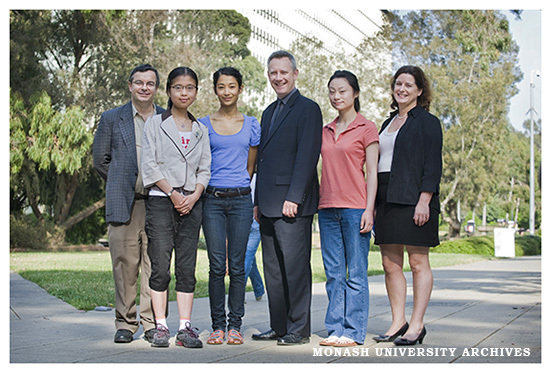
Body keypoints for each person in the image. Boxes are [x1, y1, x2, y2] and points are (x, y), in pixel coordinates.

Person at [252, 50, 323, 346]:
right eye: (273, 73)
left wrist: (294, 197)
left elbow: (307, 156)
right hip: (267, 204)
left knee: (294, 269)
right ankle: (279, 326)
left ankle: (299, 328)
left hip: (292, 204)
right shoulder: (268, 111)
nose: (278, 77)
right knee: (274, 271)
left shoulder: (308, 108)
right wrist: (256, 201)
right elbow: (262, 161)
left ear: (295, 74)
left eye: (283, 72)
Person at [93, 64, 164, 344]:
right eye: (139, 82)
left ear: (157, 88)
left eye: (150, 83)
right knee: (124, 266)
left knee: (154, 266)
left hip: (159, 204)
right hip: (125, 203)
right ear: (130, 86)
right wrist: (122, 182)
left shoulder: (167, 118)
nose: (144, 87)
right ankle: (125, 323)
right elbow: (100, 160)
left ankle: (151, 323)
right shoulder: (111, 118)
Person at [372, 65, 442, 346]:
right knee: (390, 264)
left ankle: (416, 324)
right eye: (398, 84)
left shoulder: (427, 121)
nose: (401, 89)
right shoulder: (387, 122)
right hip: (386, 198)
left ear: (419, 91)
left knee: (417, 262)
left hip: (414, 198)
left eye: (408, 85)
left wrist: (424, 200)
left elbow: (432, 165)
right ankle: (398, 320)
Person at [141, 67, 211, 348]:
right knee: (160, 265)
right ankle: (160, 327)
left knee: (187, 266)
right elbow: (149, 163)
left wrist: (193, 196)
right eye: (179, 87)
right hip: (161, 201)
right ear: (169, 91)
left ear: (196, 91)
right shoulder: (155, 124)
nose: (184, 93)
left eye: (190, 87)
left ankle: (185, 327)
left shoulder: (201, 129)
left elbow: (205, 168)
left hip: (192, 204)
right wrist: (172, 193)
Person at [317, 70, 379, 347]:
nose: (336, 96)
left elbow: (373, 174)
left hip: (356, 209)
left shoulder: (367, 128)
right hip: (327, 208)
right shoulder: (325, 130)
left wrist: (370, 209)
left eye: (342, 91)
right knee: (333, 273)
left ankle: (353, 331)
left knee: (355, 272)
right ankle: (335, 329)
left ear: (355, 93)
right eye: (332, 91)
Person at [200, 67, 261, 345]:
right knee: (216, 266)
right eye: (221, 86)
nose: (227, 92)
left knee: (237, 266)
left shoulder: (251, 124)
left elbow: (251, 167)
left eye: (232, 86)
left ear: (240, 89)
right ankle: (217, 326)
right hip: (211, 200)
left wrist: (238, 188)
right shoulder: (202, 124)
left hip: (240, 201)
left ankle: (235, 325)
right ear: (215, 90)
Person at [244, 174, 265, 302]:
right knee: (249, 256)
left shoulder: (254, 176)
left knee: (246, 256)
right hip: (242, 218)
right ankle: (259, 288)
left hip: (254, 219)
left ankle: (238, 293)